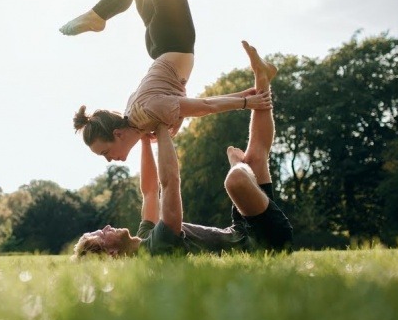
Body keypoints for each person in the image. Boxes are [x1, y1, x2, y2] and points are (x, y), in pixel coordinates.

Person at [72, 41, 293, 257]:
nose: (107, 226)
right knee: (236, 180)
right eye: (103, 234)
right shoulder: (157, 248)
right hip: (264, 243)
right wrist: (158, 125)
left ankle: (262, 77)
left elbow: (149, 191)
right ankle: (237, 163)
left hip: (242, 231)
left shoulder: (145, 236)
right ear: (111, 253)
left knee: (256, 156)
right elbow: (169, 183)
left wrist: (144, 137)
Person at [62, 0, 272, 163]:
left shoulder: (150, 112)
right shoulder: (134, 113)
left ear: (118, 134)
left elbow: (206, 106)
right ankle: (100, 15)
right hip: (157, 45)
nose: (108, 160)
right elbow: (176, 95)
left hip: (173, 39)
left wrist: (247, 104)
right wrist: (247, 96)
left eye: (105, 152)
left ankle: (99, 15)